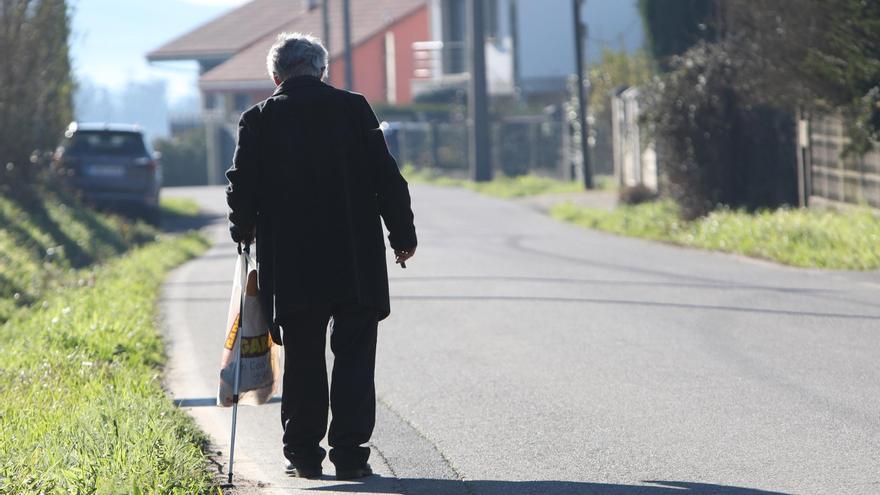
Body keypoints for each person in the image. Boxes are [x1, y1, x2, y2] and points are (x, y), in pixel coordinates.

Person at [225, 32, 417, 480]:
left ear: (276, 76)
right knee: (354, 359)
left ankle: (304, 457)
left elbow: (242, 184)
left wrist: (243, 229)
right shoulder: (354, 109)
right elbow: (387, 177)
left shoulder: (259, 118)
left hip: (293, 264)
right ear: (322, 71)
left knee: (305, 359)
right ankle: (350, 455)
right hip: (354, 257)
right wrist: (401, 235)